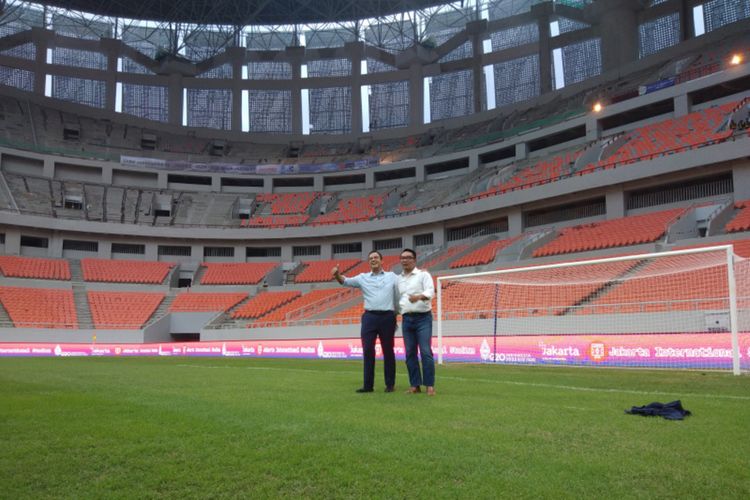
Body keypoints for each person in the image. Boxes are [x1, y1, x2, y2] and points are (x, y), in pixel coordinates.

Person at [332, 250, 398, 393]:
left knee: (388, 351)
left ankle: (390, 384)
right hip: (369, 317)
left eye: (376, 257)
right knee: (368, 350)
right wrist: (337, 274)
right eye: (371, 258)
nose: (373, 260)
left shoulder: (392, 276)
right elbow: (345, 281)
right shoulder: (362, 277)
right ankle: (368, 385)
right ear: (369, 262)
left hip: (387, 316)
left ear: (382, 260)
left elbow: (403, 285)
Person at [396, 248, 436, 396]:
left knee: (425, 351)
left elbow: (431, 292)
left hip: (423, 318)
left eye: (408, 257)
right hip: (406, 319)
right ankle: (415, 385)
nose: (405, 260)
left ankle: (429, 385)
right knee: (410, 353)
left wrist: (419, 297)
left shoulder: (423, 275)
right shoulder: (398, 279)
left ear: (414, 260)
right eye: (402, 258)